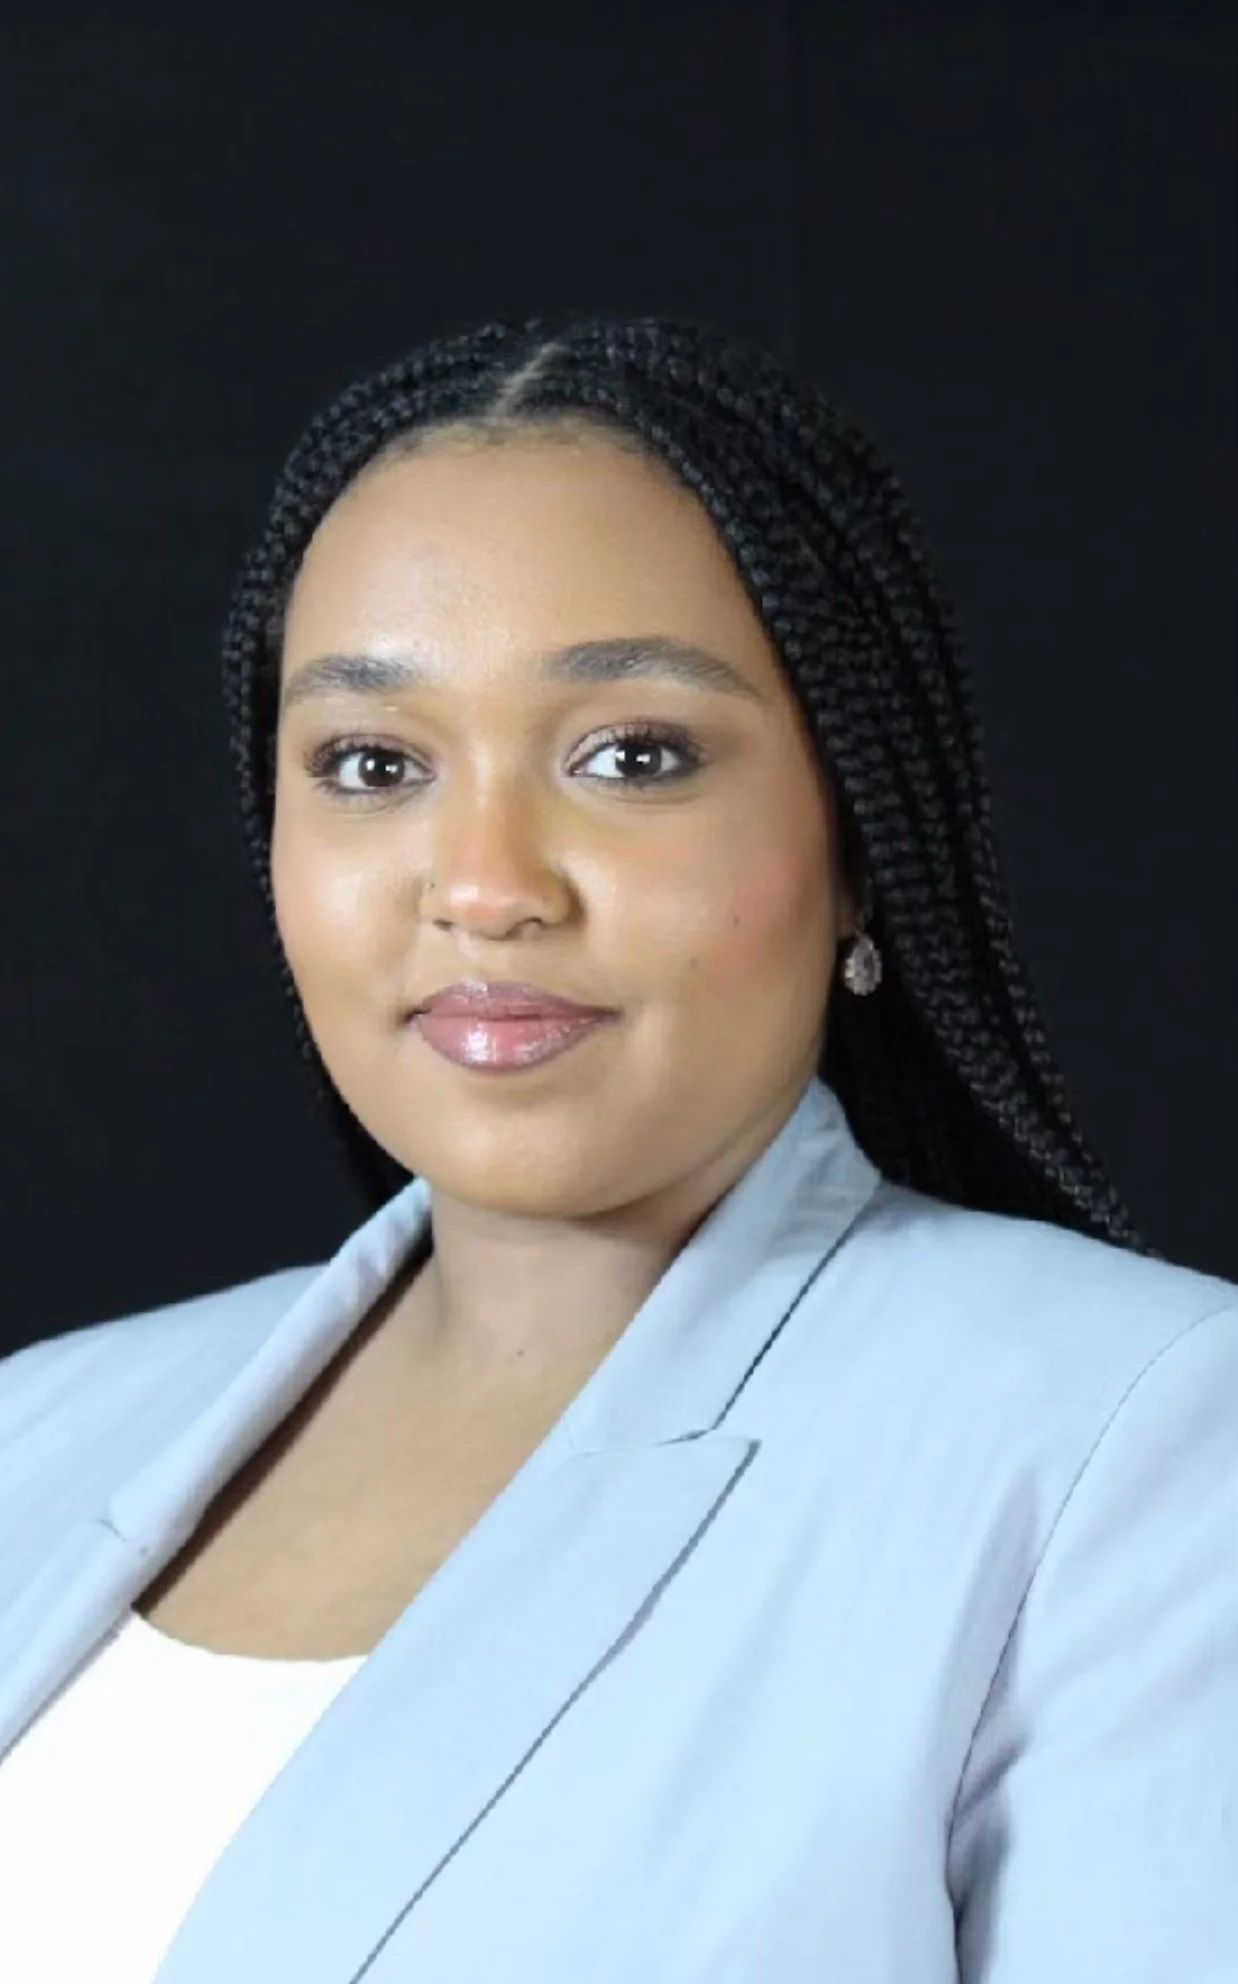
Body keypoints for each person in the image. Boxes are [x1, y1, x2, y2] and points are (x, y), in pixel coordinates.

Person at [0, 313, 1233, 1984]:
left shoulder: (1128, 1442)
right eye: (372, 763)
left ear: (857, 837)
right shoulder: (35, 1429)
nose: (486, 882)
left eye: (631, 756)